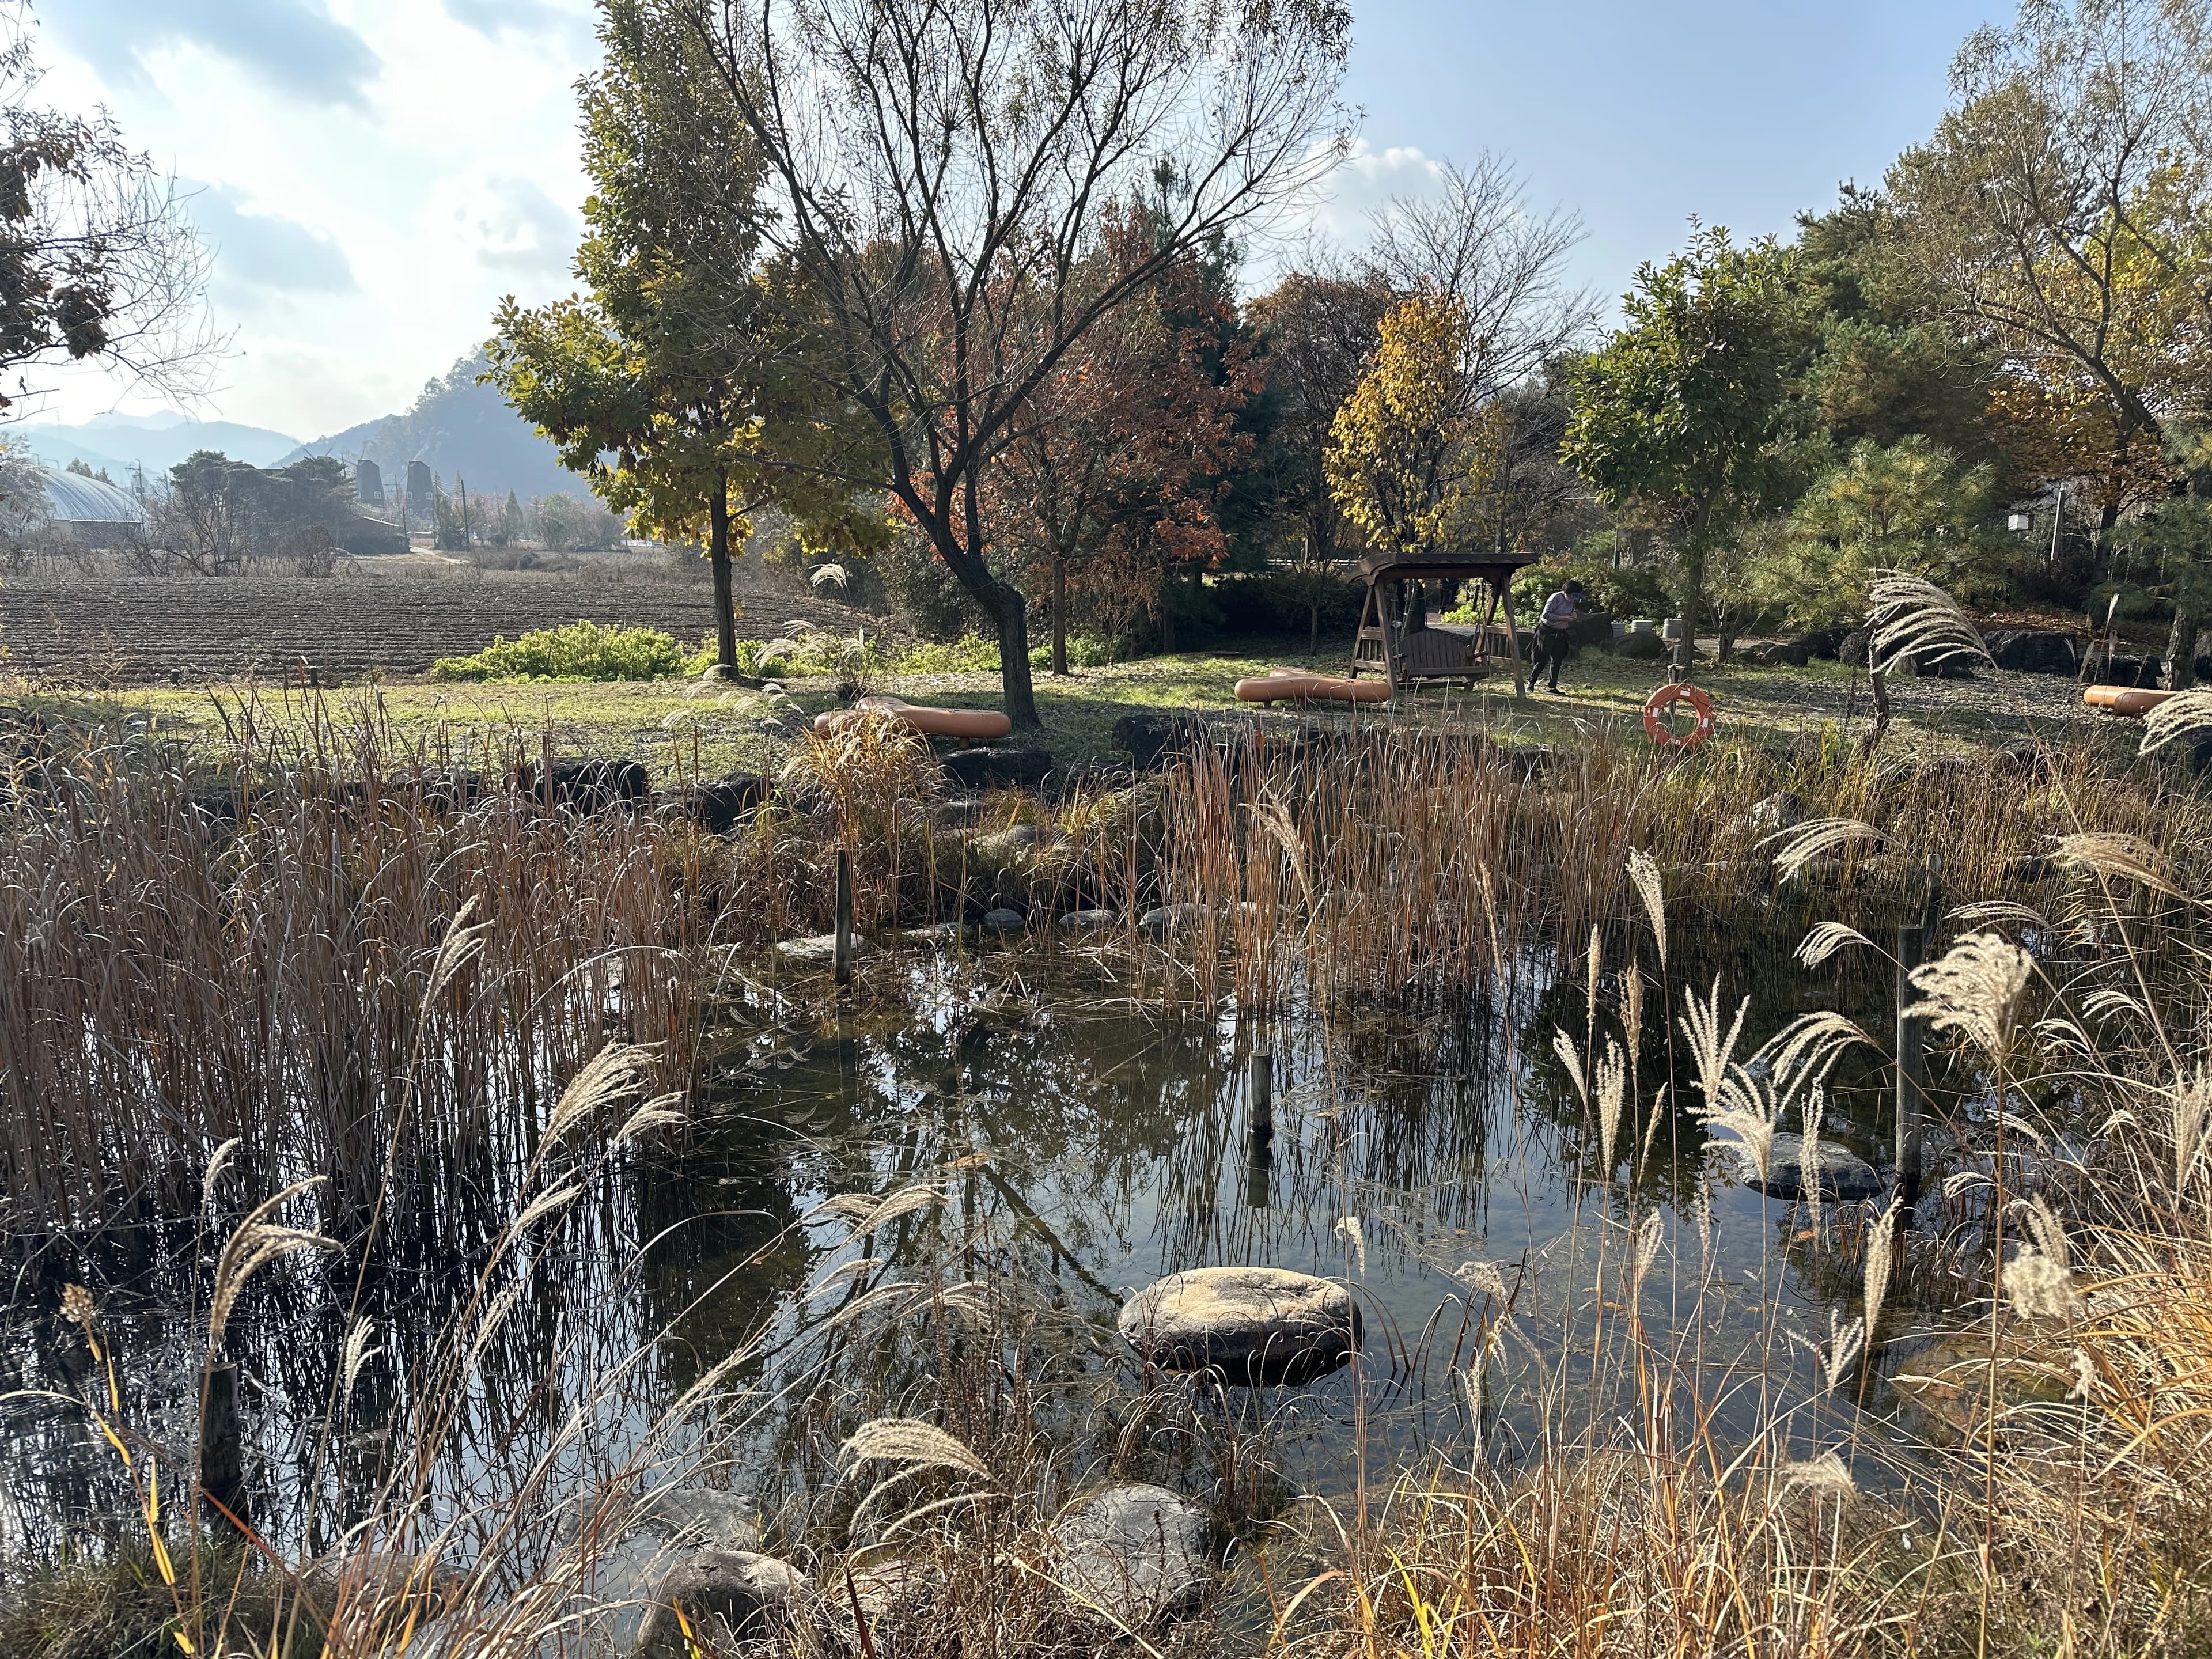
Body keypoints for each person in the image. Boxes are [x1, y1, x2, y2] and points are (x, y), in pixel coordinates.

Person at [1533, 578, 1583, 693]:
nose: (1573, 599)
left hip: (1560, 632)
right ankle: (1531, 682)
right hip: (1547, 631)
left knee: (1557, 660)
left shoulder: (1571, 601)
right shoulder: (1556, 598)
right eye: (1572, 596)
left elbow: (1570, 611)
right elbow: (1546, 615)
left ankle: (1552, 686)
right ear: (1566, 592)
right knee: (1542, 659)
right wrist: (1563, 618)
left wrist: (1573, 614)